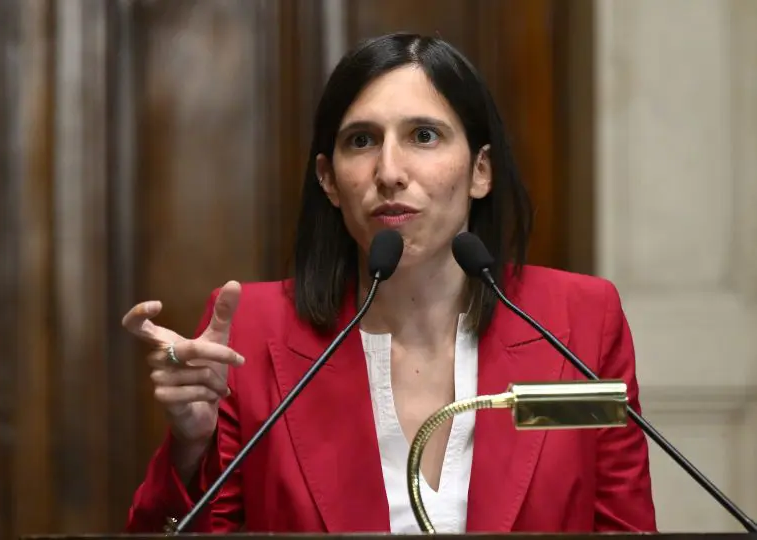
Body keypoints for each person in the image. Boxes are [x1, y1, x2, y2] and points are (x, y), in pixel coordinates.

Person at [121, 33, 657, 534]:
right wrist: (190, 448)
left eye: (424, 136)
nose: (390, 172)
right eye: (362, 141)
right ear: (329, 180)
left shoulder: (580, 319)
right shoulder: (253, 331)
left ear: (481, 171)